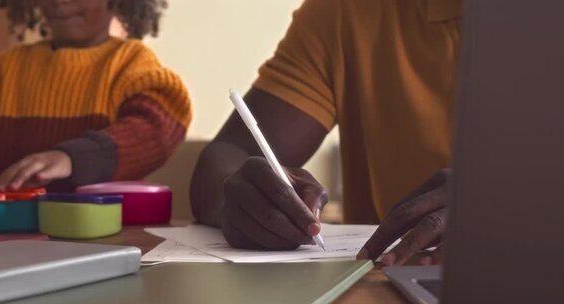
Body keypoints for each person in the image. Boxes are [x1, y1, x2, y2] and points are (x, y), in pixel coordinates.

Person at [190, 0, 461, 265]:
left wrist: (499, 204)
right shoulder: (348, 11)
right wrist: (248, 202)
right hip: (378, 283)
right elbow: (229, 155)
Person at [0, 0, 191, 197]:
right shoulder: (2, 72)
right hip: (10, 236)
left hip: (107, 236)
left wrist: (72, 158)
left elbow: (157, 125)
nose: (59, 1)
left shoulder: (130, 63)